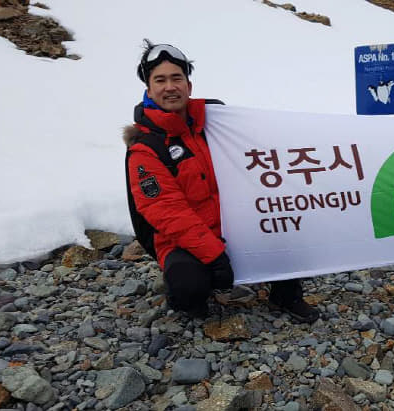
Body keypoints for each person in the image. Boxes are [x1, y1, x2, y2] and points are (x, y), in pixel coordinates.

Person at [123, 40, 320, 323]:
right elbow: (165, 210)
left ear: (188, 85)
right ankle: (193, 297)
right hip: (185, 241)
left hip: (237, 226)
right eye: (161, 80)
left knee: (289, 229)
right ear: (149, 89)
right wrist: (214, 254)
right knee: (188, 285)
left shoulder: (219, 123)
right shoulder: (146, 147)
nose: (170, 87)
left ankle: (286, 294)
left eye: (177, 78)